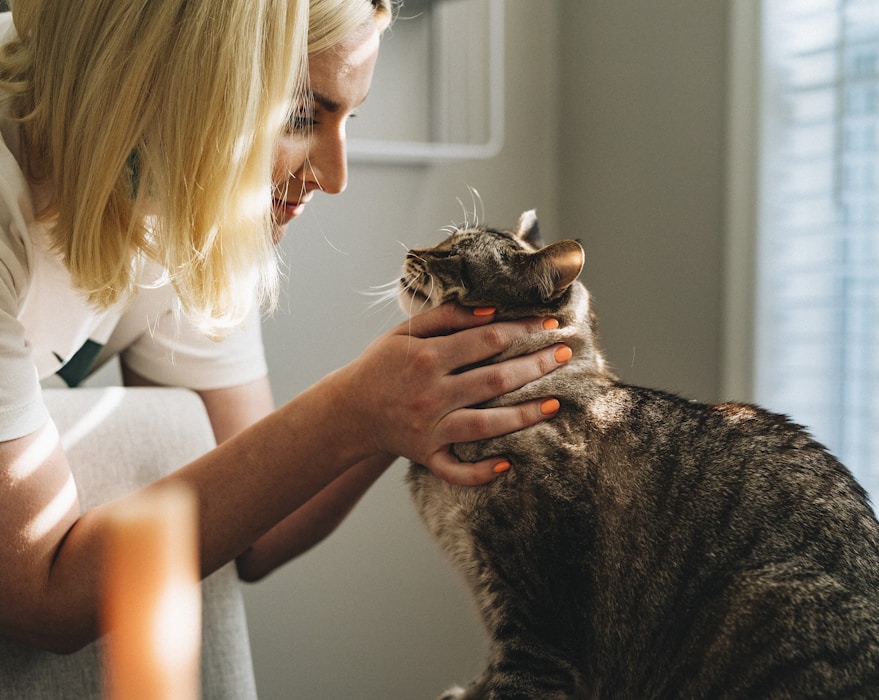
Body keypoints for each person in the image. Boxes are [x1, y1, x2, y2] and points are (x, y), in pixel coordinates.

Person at [0, 0, 570, 656]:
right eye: (301, 117)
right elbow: (39, 597)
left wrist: (413, 398)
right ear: (165, 77)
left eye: (349, 119)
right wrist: (357, 409)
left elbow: (257, 533)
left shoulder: (181, 188)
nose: (335, 176)